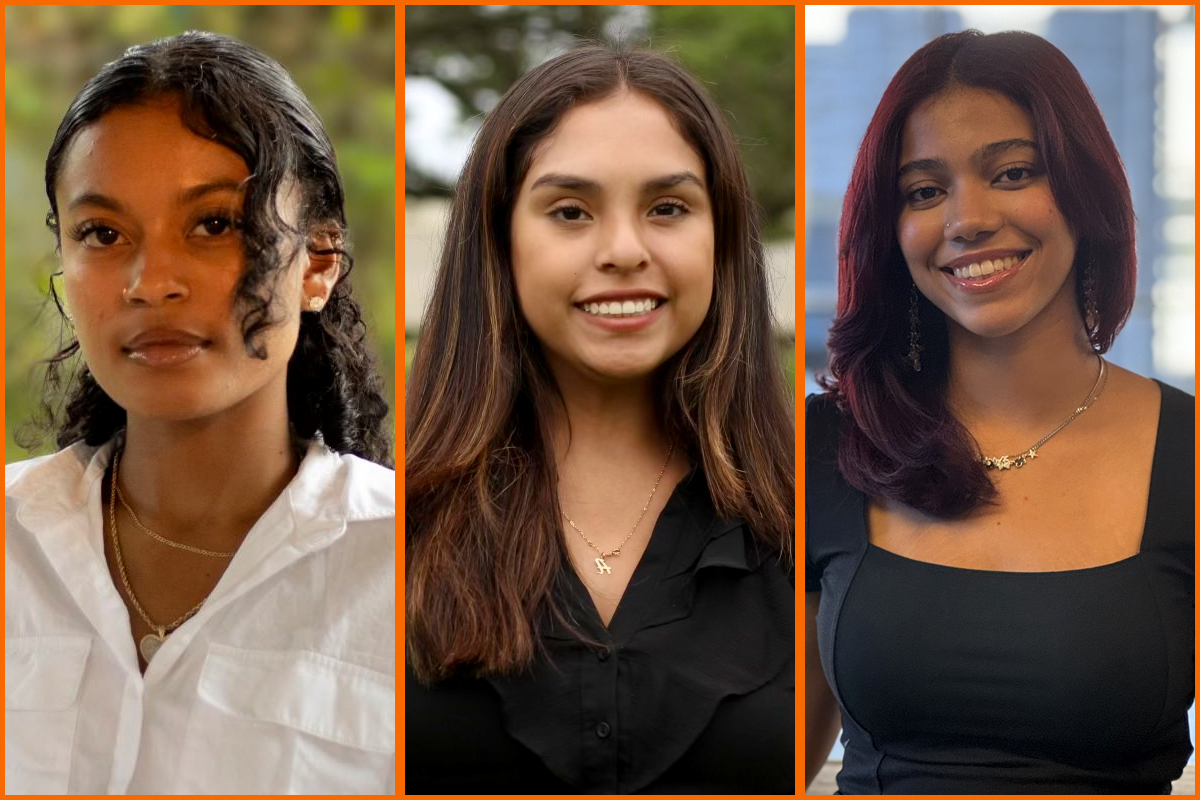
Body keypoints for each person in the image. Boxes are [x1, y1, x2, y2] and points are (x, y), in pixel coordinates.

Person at [4, 32, 395, 794]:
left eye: (214, 223)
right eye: (103, 234)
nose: (150, 283)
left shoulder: (417, 569)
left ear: (317, 263)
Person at [806, 29, 1194, 795]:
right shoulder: (825, 447)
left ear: (1087, 193)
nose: (967, 219)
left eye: (1012, 172)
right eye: (924, 191)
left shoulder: (1191, 452)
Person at [405, 43, 795, 794]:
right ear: (501, 241)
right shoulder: (392, 521)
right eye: (571, 211)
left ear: (722, 238)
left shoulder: (806, 518)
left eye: (668, 208)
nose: (624, 250)